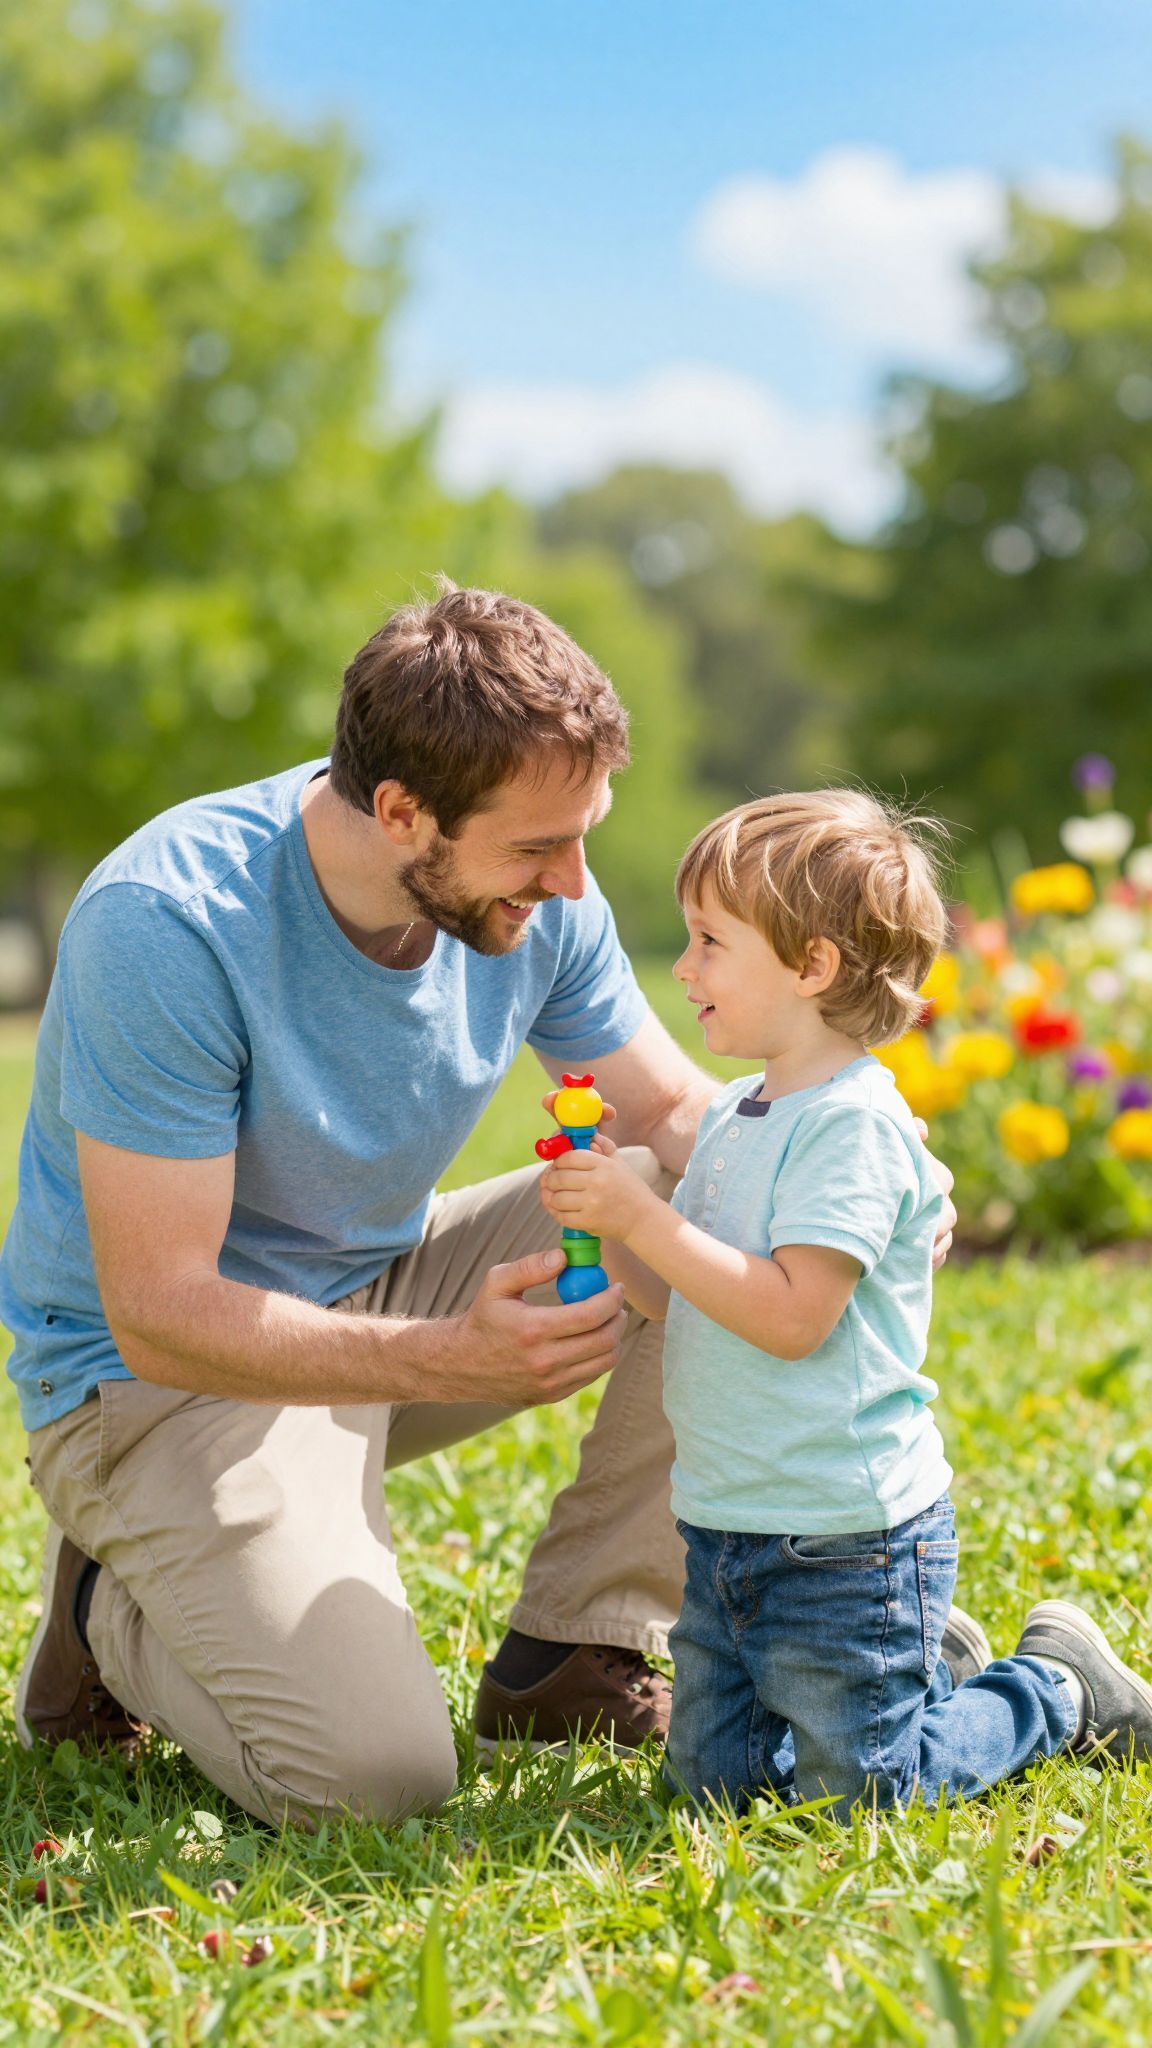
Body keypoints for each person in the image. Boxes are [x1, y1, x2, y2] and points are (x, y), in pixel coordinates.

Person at [2, 586, 958, 1825]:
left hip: (377, 1293)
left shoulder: (530, 890)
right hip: (155, 1384)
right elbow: (160, 1312)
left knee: (700, 1188)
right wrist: (447, 1354)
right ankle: (103, 1604)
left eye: (583, 836)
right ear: (401, 811)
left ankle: (572, 1648)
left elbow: (678, 1117)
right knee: (372, 1779)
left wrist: (875, 1170)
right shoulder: (172, 925)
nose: (571, 884)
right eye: (536, 849)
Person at [538, 791, 1152, 1817]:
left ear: (812, 966)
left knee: (867, 1791)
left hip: (846, 1536)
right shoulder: (739, 1113)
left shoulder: (854, 1127)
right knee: (714, 1791)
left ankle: (1050, 1686)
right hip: (727, 1522)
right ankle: (921, 1673)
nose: (683, 969)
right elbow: (674, 1299)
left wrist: (646, 1221)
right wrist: (613, 1217)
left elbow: (792, 1317)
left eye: (708, 942)